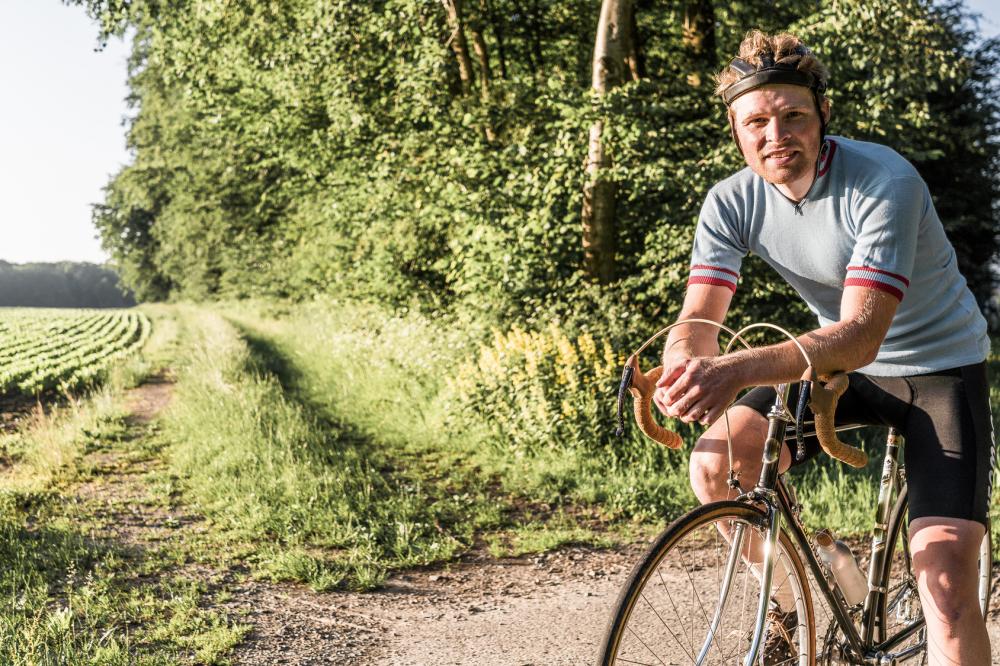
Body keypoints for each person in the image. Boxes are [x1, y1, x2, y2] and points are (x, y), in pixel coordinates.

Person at [653, 29, 994, 664]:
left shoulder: (883, 180)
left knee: (945, 585)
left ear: (823, 118)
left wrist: (734, 368)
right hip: (835, 366)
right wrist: (684, 365)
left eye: (793, 116)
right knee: (716, 464)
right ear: (735, 129)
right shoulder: (730, 202)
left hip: (936, 369)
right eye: (756, 121)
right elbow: (699, 317)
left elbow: (862, 335)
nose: (775, 135)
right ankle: (801, 604)